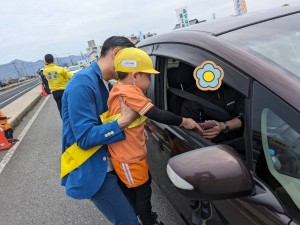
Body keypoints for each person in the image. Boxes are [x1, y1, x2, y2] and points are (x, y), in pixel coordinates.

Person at [103, 47, 202, 225]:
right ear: (135, 76)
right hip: (128, 157)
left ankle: (148, 218)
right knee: (142, 193)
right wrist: (185, 121)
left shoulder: (119, 88)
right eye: (148, 76)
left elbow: (136, 117)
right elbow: (157, 114)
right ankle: (148, 221)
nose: (150, 80)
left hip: (133, 153)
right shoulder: (128, 92)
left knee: (144, 188)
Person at [61, 36, 140, 225]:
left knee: (133, 213)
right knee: (128, 221)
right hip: (96, 169)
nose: (131, 70)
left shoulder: (106, 82)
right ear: (117, 54)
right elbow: (85, 137)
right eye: (130, 62)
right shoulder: (82, 84)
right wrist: (124, 121)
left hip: (113, 162)